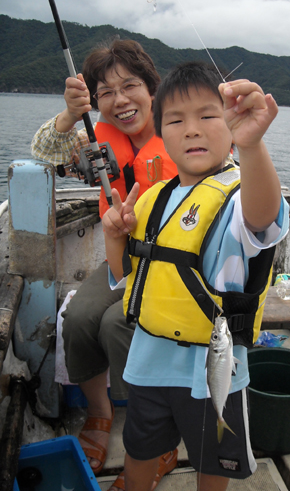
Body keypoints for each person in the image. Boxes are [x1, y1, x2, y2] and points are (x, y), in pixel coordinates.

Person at [102, 61, 290, 491]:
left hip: (214, 367)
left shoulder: (242, 194)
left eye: (208, 115)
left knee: (214, 463)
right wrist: (114, 237)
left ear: (229, 122)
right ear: (160, 132)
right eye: (175, 120)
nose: (192, 130)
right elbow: (126, 279)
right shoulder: (151, 198)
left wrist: (253, 146)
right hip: (148, 361)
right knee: (139, 449)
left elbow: (263, 217)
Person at [31, 39, 179, 491]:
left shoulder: (181, 126)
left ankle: (159, 436)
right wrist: (70, 115)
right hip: (124, 258)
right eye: (105, 92)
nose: (120, 100)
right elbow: (43, 151)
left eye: (130, 86)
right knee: (76, 318)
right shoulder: (93, 140)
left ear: (151, 88)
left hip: (177, 266)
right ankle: (100, 413)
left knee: (119, 323)